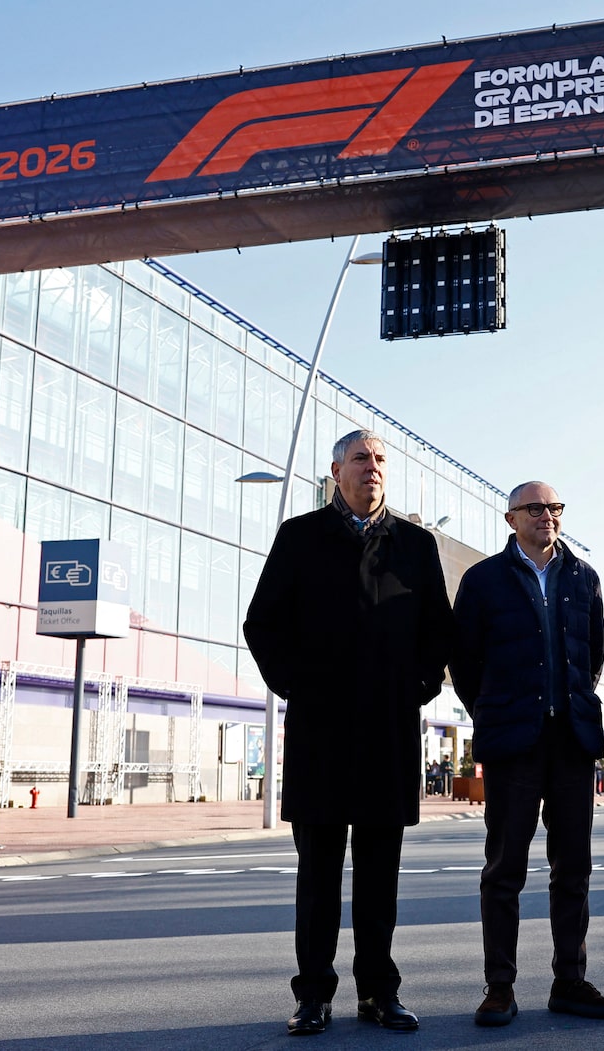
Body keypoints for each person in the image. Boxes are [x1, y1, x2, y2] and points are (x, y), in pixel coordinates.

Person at [244, 428, 453, 1036]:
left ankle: (379, 993)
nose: (373, 468)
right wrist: (297, 687)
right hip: (321, 733)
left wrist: (415, 688)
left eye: (381, 459)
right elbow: (262, 624)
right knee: (318, 877)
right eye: (361, 459)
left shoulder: (416, 544)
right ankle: (313, 994)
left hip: (388, 731)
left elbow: (438, 630)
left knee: (381, 877)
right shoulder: (301, 538)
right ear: (336, 471)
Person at [450, 482, 604, 1026]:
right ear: (510, 518)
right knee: (505, 870)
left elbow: (591, 654)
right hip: (513, 745)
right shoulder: (483, 581)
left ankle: (569, 980)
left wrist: (569, 701)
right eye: (534, 508)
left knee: (573, 868)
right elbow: (465, 662)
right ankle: (499, 986)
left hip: (571, 742)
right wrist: (495, 710)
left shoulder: (583, 577)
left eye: (554, 508)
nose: (546, 516)